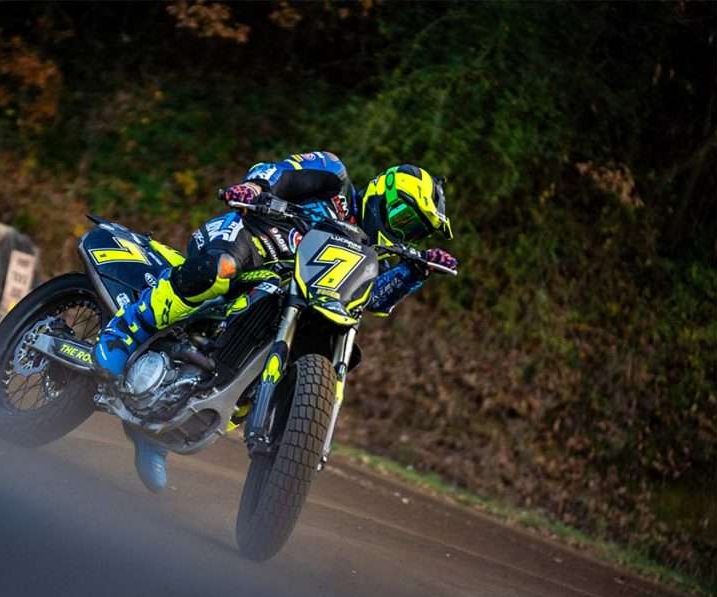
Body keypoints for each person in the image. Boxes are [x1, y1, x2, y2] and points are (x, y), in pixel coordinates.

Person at [94, 151, 458, 492]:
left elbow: (372, 300)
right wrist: (257, 190)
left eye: (415, 231)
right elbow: (277, 172)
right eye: (405, 219)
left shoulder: (369, 255)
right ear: (384, 191)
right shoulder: (334, 178)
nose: (404, 233)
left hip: (292, 295)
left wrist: (414, 271)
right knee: (220, 269)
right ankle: (124, 331)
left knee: (279, 367)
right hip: (254, 237)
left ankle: (159, 432)